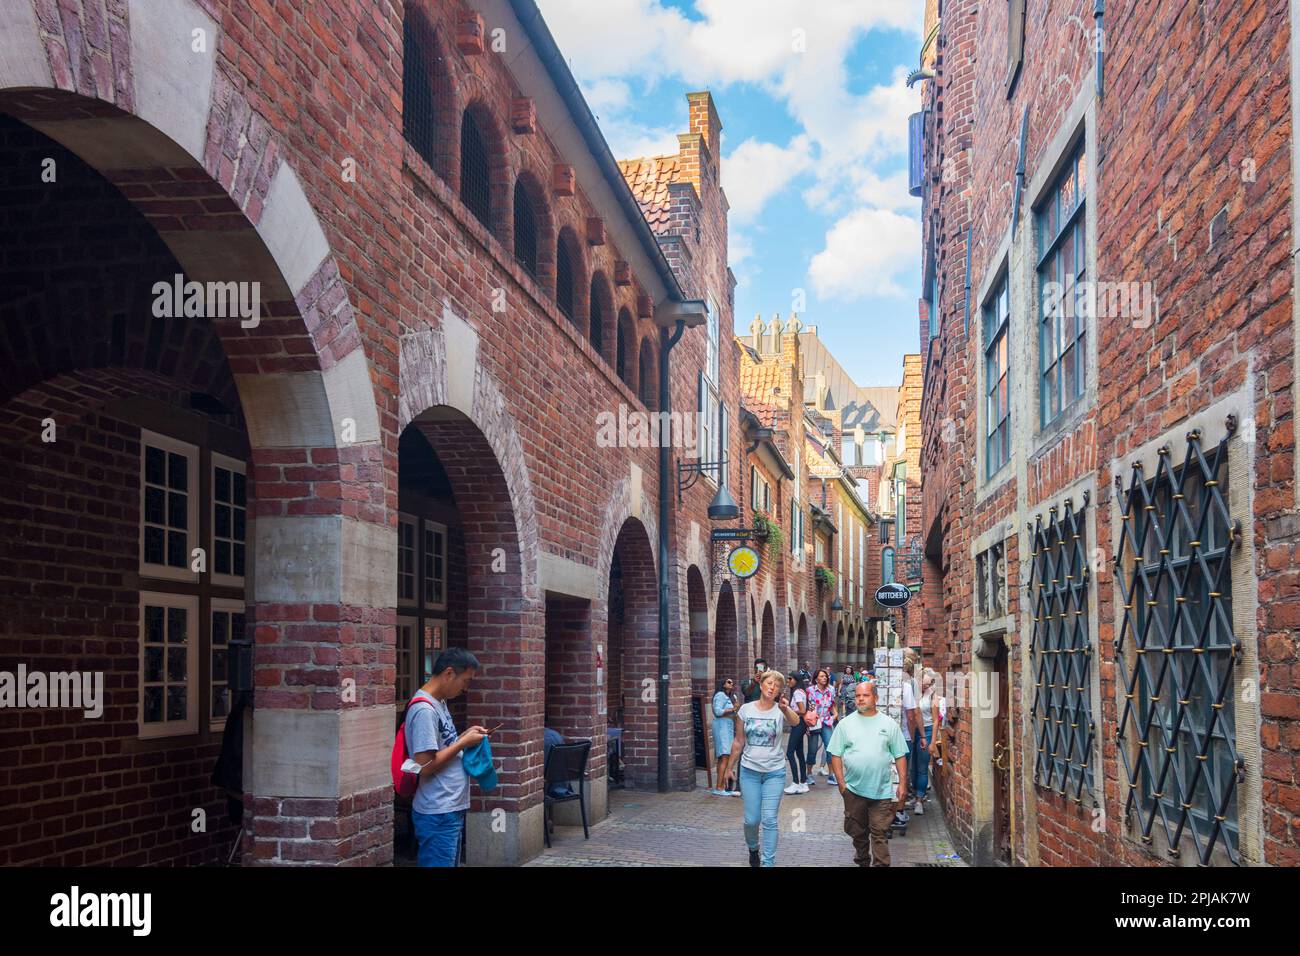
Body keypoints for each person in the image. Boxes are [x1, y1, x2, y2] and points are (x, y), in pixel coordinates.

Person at [404, 647, 489, 867]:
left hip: (448, 807)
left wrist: (464, 736)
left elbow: (442, 746)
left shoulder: (438, 702)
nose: (466, 688)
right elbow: (425, 765)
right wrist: (463, 742)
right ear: (449, 673)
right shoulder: (425, 710)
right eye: (466, 681)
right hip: (438, 810)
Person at [829, 680, 909, 867]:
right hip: (854, 790)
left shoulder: (888, 724)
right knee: (858, 832)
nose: (860, 699)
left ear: (876, 698)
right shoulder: (845, 724)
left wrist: (903, 784)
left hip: (881, 790)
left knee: (879, 832)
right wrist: (842, 784)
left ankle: (881, 864)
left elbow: (899, 755)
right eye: (857, 696)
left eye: (865, 695)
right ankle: (863, 861)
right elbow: (835, 754)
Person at [732, 668, 802, 866]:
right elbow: (738, 741)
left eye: (778, 685)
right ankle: (753, 848)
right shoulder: (746, 710)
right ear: (762, 685)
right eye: (770, 683)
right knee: (751, 821)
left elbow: (796, 722)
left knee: (770, 820)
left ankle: (767, 862)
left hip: (774, 772)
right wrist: (729, 767)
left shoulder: (781, 709)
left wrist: (786, 708)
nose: (773, 687)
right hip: (749, 772)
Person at [805, 668, 837, 783]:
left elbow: (832, 704)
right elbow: (807, 708)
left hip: (827, 721)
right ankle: (808, 774)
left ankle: (831, 774)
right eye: (821, 676)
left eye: (825, 676)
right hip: (814, 722)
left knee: (830, 747)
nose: (824, 678)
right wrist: (807, 725)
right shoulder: (810, 690)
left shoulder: (831, 690)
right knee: (812, 749)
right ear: (816, 678)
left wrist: (835, 714)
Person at [711, 677, 741, 796]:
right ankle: (719, 787)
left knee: (724, 757)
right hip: (721, 726)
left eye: (732, 682)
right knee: (724, 756)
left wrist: (735, 709)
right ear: (723, 684)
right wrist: (732, 708)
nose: (731, 683)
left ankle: (720, 786)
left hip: (727, 727)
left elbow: (730, 713)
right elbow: (718, 711)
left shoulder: (728, 697)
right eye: (729, 682)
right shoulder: (720, 695)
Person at [783, 671, 810, 794]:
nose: (788, 681)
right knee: (799, 754)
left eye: (790, 679)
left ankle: (795, 782)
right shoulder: (801, 692)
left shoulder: (797, 693)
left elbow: (803, 710)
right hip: (800, 724)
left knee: (789, 753)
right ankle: (803, 782)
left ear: (796, 680)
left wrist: (789, 709)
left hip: (798, 724)